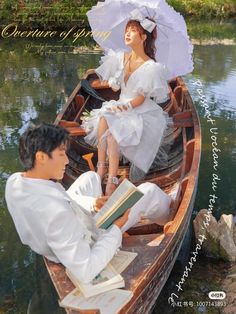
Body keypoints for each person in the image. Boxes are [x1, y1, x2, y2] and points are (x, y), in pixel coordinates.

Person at [5, 123, 172, 284]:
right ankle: (170, 215)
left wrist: (93, 203)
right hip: (86, 240)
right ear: (41, 157)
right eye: (62, 154)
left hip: (59, 233)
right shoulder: (57, 214)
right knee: (149, 191)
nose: (67, 161)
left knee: (91, 178)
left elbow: (63, 200)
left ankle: (100, 202)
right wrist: (116, 227)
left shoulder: (15, 181)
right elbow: (86, 271)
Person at [82, 13, 171, 196]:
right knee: (103, 117)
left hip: (139, 110)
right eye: (127, 30)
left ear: (143, 37)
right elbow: (115, 86)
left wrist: (126, 107)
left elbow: (139, 99)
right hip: (120, 104)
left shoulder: (151, 67)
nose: (127, 34)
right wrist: (116, 80)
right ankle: (101, 168)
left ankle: (112, 180)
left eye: (133, 31)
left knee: (113, 134)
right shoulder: (120, 58)